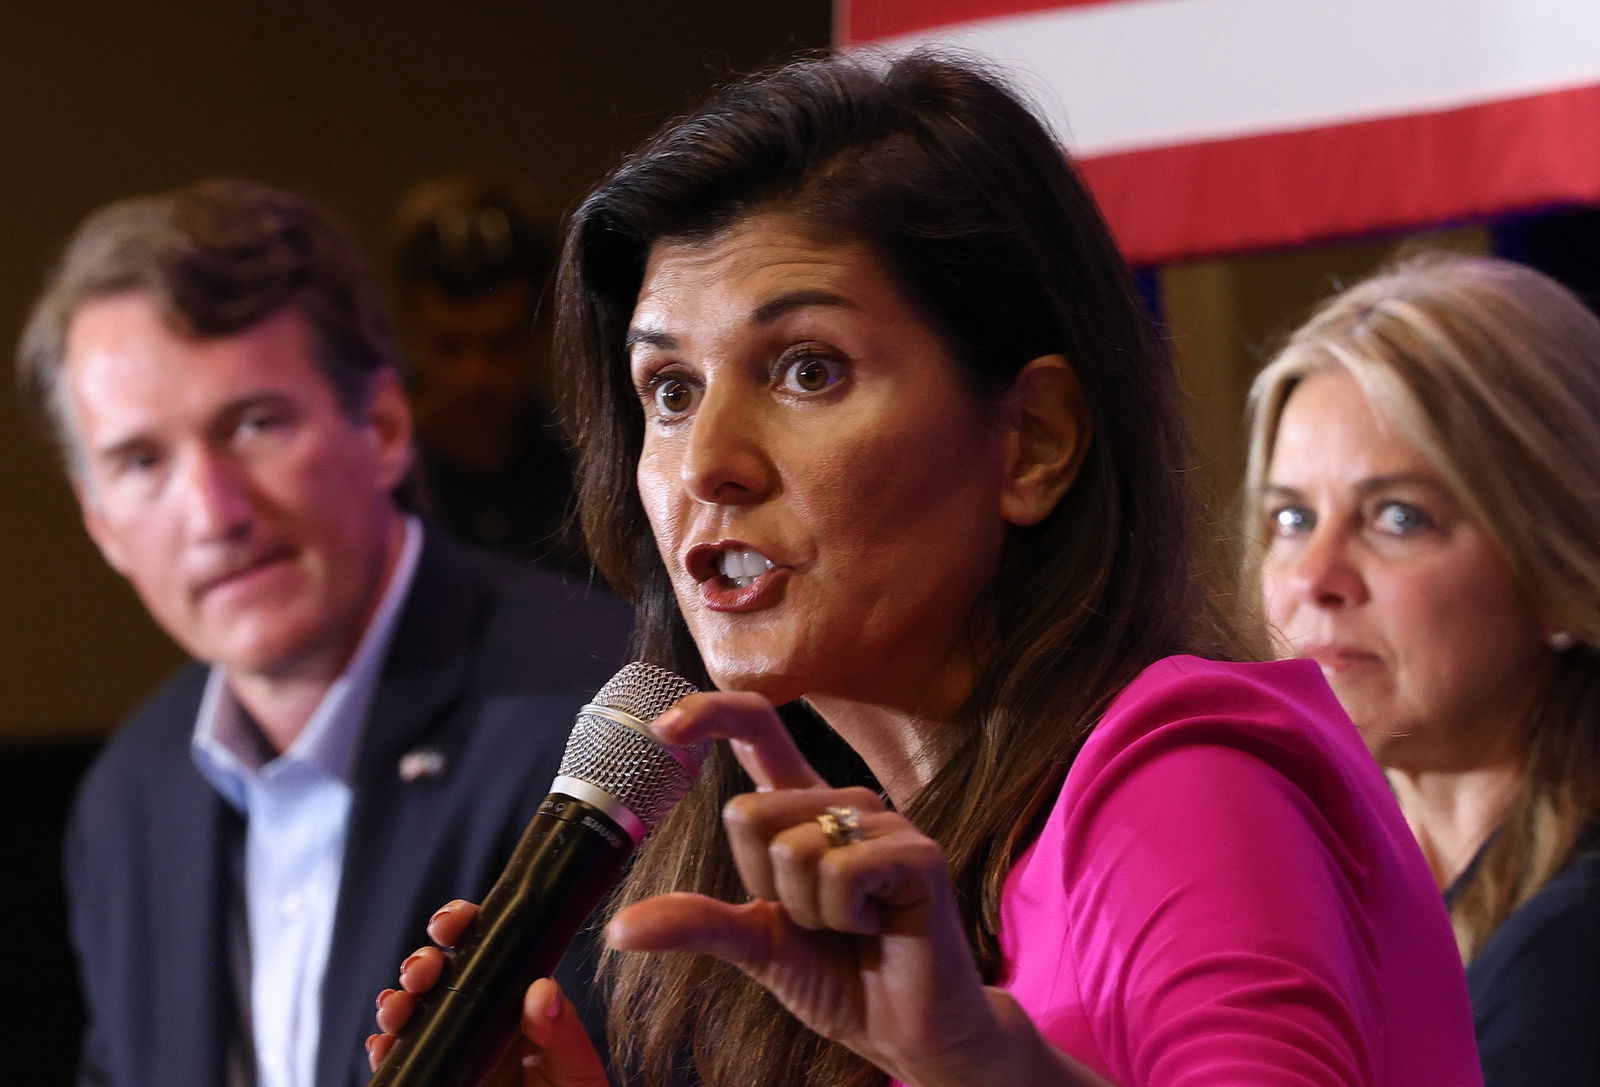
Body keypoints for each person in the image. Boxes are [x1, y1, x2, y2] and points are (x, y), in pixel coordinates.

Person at [370, 53, 1483, 1086]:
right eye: (669, 389)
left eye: (808, 369)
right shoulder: (863, 881)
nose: (708, 462)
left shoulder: (1179, 779)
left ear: (1033, 441)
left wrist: (976, 1062)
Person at [16, 178, 631, 1087]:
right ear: (100, 521)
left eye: (255, 424)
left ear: (383, 426)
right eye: (141, 461)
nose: (213, 512)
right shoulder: (128, 796)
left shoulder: (599, 719)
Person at [1244, 252, 1600, 1085]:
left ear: (1556, 564)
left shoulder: (1570, 957)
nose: (1312, 577)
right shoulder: (1291, 903)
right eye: (1291, 516)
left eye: (1398, 516)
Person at [394, 173, 588, 573]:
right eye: (449, 344)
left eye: (501, 344)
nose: (475, 376)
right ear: (411, 327)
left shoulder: (590, 484)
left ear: (543, 326)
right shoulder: (374, 485)